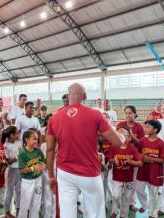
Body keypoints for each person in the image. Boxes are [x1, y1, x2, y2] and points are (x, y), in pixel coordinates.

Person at [46, 83, 126, 218]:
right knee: (95, 212)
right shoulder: (95, 115)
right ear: (85, 96)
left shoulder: (54, 118)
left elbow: (49, 150)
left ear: (68, 96)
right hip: (89, 172)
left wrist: (51, 176)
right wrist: (122, 135)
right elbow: (118, 141)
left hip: (64, 172)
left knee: (67, 212)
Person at [135, 120, 164, 218]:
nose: (145, 129)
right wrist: (140, 157)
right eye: (144, 126)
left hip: (155, 173)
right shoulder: (142, 141)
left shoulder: (161, 144)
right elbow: (138, 153)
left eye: (147, 127)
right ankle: (145, 205)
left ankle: (152, 214)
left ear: (155, 129)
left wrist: (149, 158)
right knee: (138, 189)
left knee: (153, 194)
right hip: (143, 171)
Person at [108, 127, 143, 218]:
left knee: (127, 197)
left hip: (128, 178)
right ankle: (115, 211)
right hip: (117, 177)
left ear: (129, 137)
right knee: (115, 196)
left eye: (124, 135)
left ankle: (124, 214)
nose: (122, 137)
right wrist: (113, 161)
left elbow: (140, 163)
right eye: (119, 135)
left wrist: (132, 162)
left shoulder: (132, 149)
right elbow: (110, 160)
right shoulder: (114, 147)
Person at [18, 130, 46, 218]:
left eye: (37, 139)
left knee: (36, 204)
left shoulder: (38, 151)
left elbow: (43, 161)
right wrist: (33, 168)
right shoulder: (22, 153)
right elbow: (21, 170)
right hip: (27, 181)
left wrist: (43, 165)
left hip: (38, 179)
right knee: (25, 205)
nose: (36, 141)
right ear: (27, 140)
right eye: (34, 139)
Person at [3, 126, 22, 218]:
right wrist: (18, 156)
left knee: (19, 190)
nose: (18, 135)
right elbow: (8, 161)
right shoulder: (6, 145)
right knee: (9, 192)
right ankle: (7, 211)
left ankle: (19, 209)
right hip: (11, 170)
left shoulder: (19, 142)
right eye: (17, 133)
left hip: (20, 169)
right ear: (11, 135)